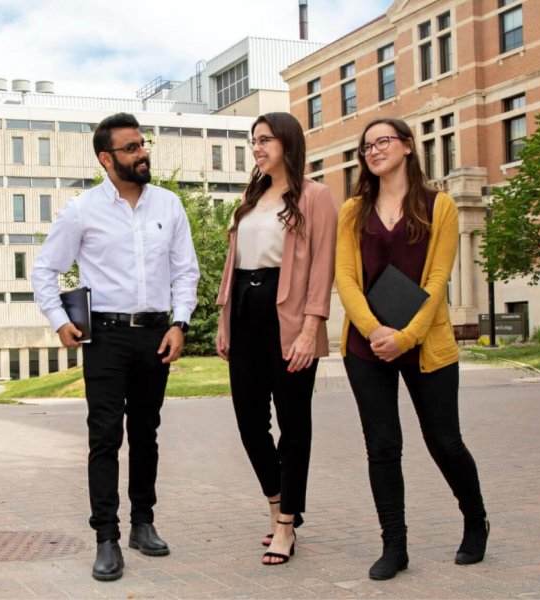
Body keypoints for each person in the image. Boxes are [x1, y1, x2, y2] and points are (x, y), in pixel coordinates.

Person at [32, 112, 200, 582]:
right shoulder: (81, 210)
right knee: (105, 437)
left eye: (143, 145)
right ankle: (106, 536)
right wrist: (59, 320)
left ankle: (142, 523)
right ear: (106, 159)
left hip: (155, 335)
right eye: (130, 148)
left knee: (146, 433)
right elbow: (45, 269)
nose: (142, 153)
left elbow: (186, 270)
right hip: (103, 337)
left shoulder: (169, 206)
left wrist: (180, 323)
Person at [335, 118, 489, 580]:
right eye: (366, 147)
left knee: (445, 442)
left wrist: (405, 336)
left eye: (383, 141)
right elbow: (345, 279)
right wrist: (375, 330)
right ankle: (394, 545)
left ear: (406, 146)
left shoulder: (437, 205)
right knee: (382, 446)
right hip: (365, 347)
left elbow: (438, 279)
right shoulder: (352, 211)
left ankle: (475, 520)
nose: (374, 150)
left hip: (426, 344)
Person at [215, 112, 337, 566]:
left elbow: (322, 266)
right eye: (253, 141)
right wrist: (225, 320)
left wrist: (311, 327)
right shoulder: (250, 200)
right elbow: (235, 265)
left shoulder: (315, 196)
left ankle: (286, 523)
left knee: (293, 423)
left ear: (287, 142)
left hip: (287, 316)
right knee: (249, 421)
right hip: (244, 311)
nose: (257, 148)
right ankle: (276, 503)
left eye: (265, 139)